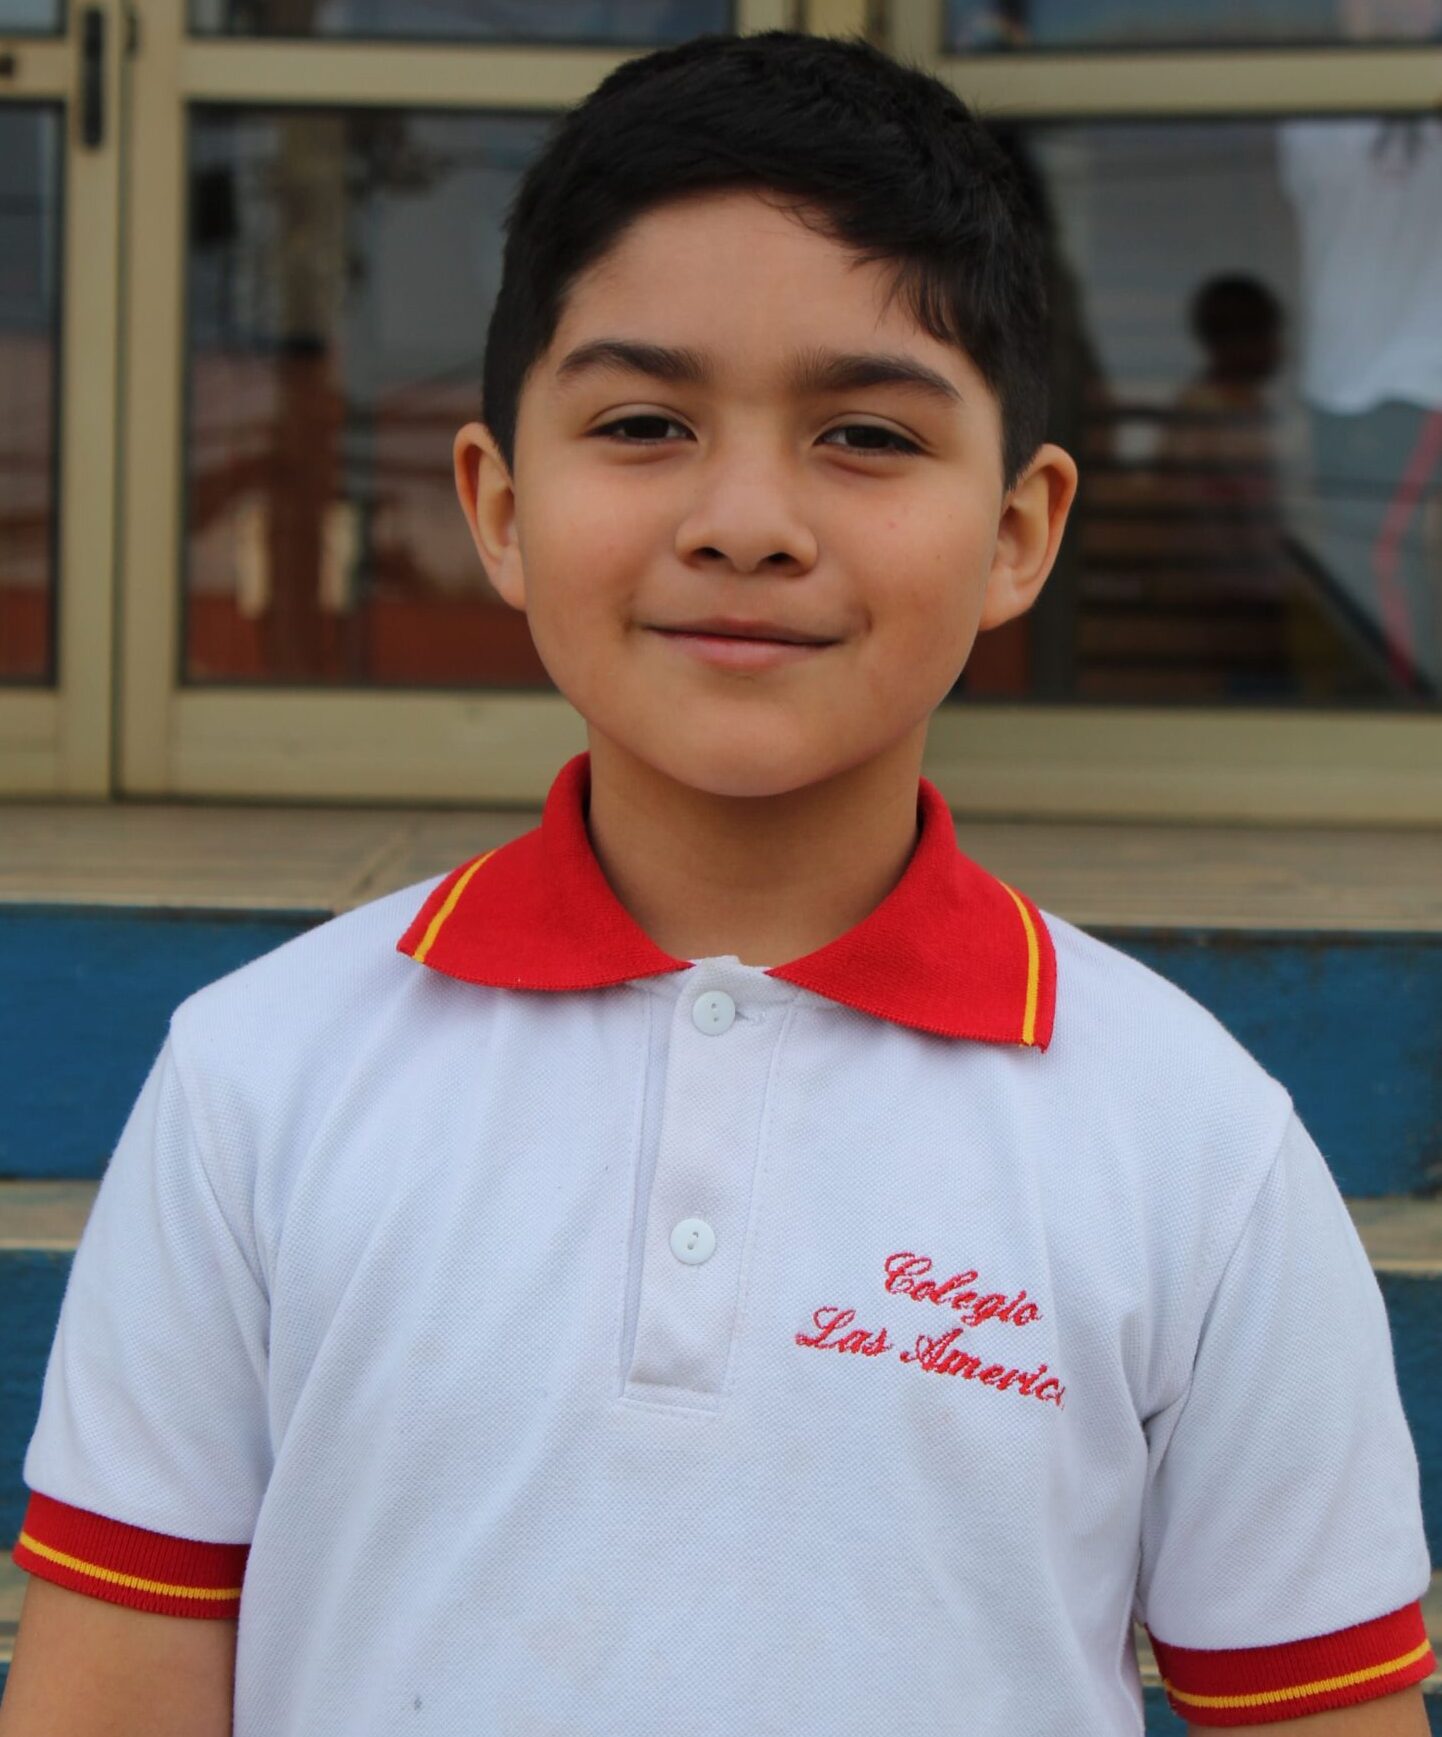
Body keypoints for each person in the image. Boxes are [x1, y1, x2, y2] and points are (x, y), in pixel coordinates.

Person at [1, 29, 1432, 1737]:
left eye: (865, 435)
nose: (746, 519)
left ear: (1017, 533)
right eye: (643, 422)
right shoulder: (259, 1078)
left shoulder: (1196, 1147)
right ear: (497, 503)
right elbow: (111, 1694)